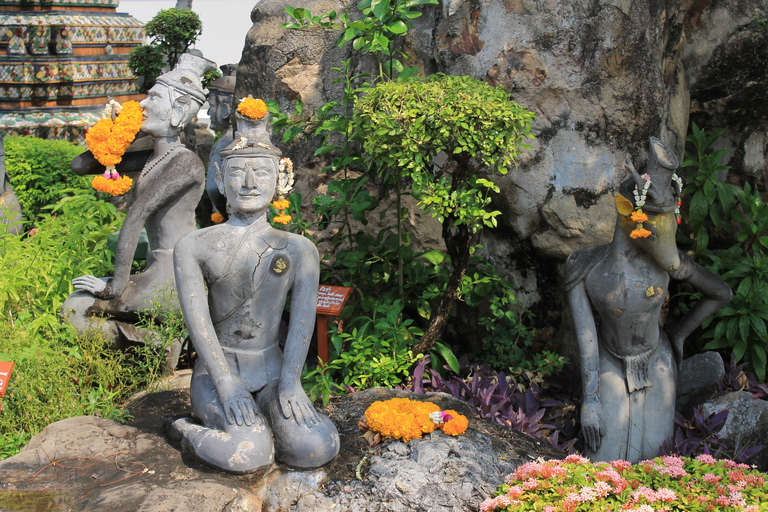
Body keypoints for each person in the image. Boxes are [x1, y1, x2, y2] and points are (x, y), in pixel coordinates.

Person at [167, 104, 339, 473]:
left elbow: (301, 324)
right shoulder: (193, 247)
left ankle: (269, 412)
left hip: (275, 371)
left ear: (280, 179)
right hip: (219, 372)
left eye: (260, 172)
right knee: (250, 454)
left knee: (316, 446)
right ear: (220, 177)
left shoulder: (299, 249)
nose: (248, 183)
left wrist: (291, 383)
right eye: (237, 172)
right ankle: (185, 430)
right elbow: (198, 325)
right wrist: (226, 384)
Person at [564, 137, 732, 462]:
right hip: (609, 362)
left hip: (657, 361)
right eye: (653, 230)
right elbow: (587, 337)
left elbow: (721, 293)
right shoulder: (583, 270)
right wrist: (592, 400)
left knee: (656, 462)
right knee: (603, 463)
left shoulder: (671, 265)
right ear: (628, 216)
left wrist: (679, 334)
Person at [63, 53, 214, 345]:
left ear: (179, 111)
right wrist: (121, 133)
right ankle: (161, 343)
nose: (142, 104)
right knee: (76, 303)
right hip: (154, 271)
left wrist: (114, 287)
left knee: (76, 306)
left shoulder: (186, 163)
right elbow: (80, 166)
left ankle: (162, 344)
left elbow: (137, 215)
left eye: (153, 98)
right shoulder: (153, 158)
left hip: (176, 275)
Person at [205, 63, 236, 218]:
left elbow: (213, 188)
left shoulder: (224, 143)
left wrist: (223, 211)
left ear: (225, 109)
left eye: (211, 105)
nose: (209, 111)